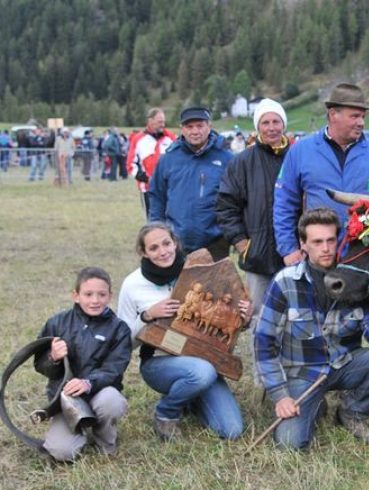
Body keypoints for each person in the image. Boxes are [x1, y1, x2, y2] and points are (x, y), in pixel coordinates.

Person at [254, 208, 369, 449]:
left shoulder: (355, 278)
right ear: (303, 244)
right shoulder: (285, 282)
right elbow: (263, 343)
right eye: (317, 242)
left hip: (342, 363)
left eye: (330, 240)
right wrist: (280, 395)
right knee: (289, 444)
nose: (326, 248)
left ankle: (352, 411)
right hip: (302, 373)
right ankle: (314, 404)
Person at [117, 222, 249, 441]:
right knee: (202, 372)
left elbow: (221, 322)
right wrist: (147, 316)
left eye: (166, 243)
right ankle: (166, 413)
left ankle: (190, 397)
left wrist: (243, 318)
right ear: (143, 252)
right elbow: (122, 342)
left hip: (204, 357)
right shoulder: (133, 284)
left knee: (231, 430)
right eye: (154, 248)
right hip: (160, 363)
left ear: (175, 242)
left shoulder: (201, 273)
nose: (163, 251)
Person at [274, 83, 369, 266]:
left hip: (364, 258)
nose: (361, 122)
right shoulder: (301, 151)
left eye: (363, 116)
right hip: (317, 257)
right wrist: (288, 248)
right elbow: (284, 203)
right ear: (332, 114)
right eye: (354, 116)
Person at [34, 267, 131, 461]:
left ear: (110, 296)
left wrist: (87, 383)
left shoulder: (119, 329)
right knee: (62, 452)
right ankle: (74, 431)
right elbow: (40, 365)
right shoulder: (56, 323)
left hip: (99, 393)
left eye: (101, 294)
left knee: (111, 402)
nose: (95, 300)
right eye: (88, 294)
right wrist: (53, 357)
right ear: (76, 296)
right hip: (65, 400)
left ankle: (105, 441)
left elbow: (114, 369)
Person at [216, 98, 290, 321]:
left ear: (283, 125)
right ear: (258, 127)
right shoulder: (243, 161)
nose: (271, 127)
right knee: (257, 314)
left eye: (276, 121)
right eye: (265, 122)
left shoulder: (296, 156)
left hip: (291, 253)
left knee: (292, 313)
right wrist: (241, 242)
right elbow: (226, 205)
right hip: (257, 254)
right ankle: (263, 357)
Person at [148, 106, 233, 260]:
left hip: (216, 243)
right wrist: (157, 232)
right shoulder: (168, 159)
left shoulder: (226, 159)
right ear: (182, 129)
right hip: (176, 243)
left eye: (200, 126)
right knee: (179, 284)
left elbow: (236, 200)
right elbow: (157, 197)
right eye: (189, 127)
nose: (195, 131)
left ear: (209, 126)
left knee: (213, 284)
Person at [125, 108, 176, 216]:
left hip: (169, 188)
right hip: (148, 189)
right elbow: (130, 165)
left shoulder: (171, 138)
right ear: (150, 121)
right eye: (160, 122)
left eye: (163, 122)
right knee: (153, 223)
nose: (163, 125)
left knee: (172, 220)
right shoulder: (138, 140)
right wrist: (147, 179)